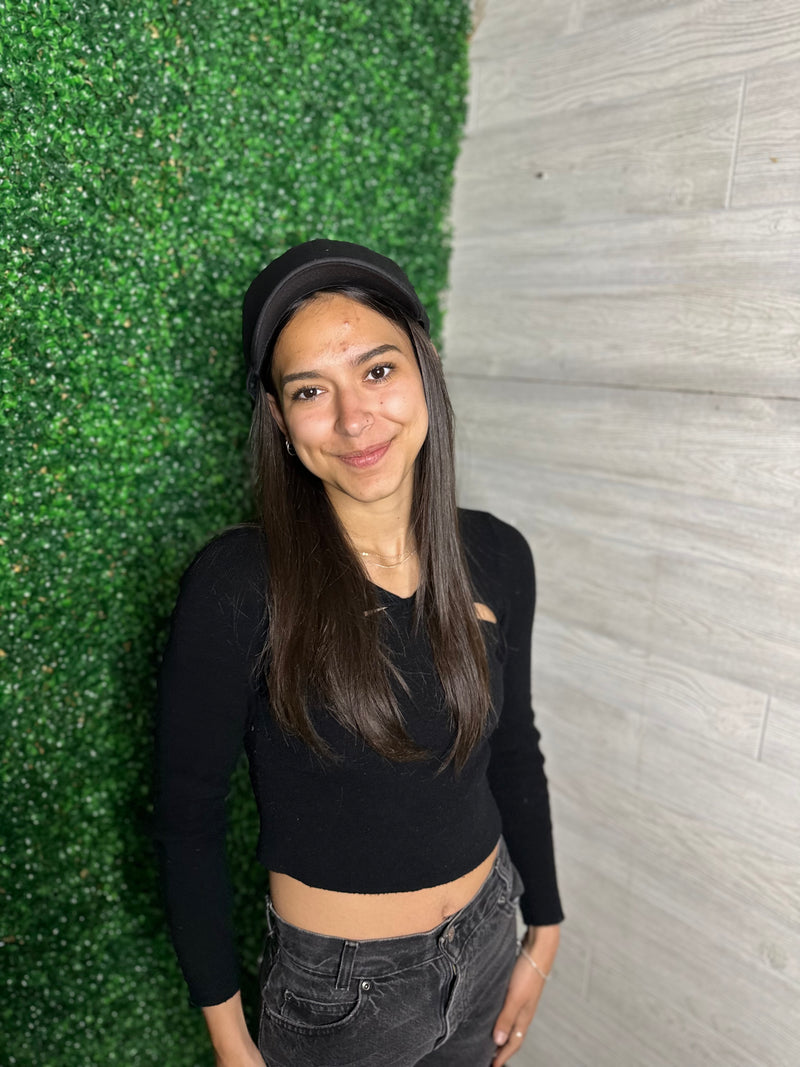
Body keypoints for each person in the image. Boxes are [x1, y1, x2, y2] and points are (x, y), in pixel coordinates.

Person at [153, 239, 564, 1067]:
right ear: (279, 418)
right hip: (342, 1000)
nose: (353, 418)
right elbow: (185, 820)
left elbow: (513, 748)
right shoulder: (239, 585)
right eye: (311, 389)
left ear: (424, 370)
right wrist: (231, 1040)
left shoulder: (498, 553)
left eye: (377, 370)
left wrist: (543, 929)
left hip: (490, 934)